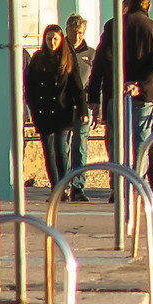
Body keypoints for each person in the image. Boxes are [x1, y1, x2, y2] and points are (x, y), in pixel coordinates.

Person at [87, 0, 153, 184]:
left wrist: (94, 95)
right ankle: (138, 184)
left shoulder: (113, 26)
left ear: (130, 3)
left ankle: (118, 183)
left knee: (116, 141)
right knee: (141, 142)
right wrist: (139, 83)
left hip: (116, 91)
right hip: (145, 94)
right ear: (148, 6)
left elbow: (102, 60)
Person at [25, 24, 85, 196]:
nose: (52, 42)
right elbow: (30, 86)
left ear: (61, 40)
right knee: (48, 150)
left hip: (62, 110)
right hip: (43, 111)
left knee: (60, 149)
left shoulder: (67, 58)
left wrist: (82, 110)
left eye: (56, 39)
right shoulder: (38, 59)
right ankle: (55, 187)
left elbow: (76, 85)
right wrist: (33, 107)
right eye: (49, 38)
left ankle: (64, 184)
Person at [62, 14, 96, 200]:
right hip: (62, 106)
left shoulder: (90, 54)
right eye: (73, 32)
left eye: (80, 33)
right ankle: (63, 185)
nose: (77, 37)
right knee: (63, 146)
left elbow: (95, 80)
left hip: (82, 107)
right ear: (67, 31)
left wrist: (94, 104)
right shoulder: (60, 51)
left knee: (80, 146)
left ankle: (78, 186)